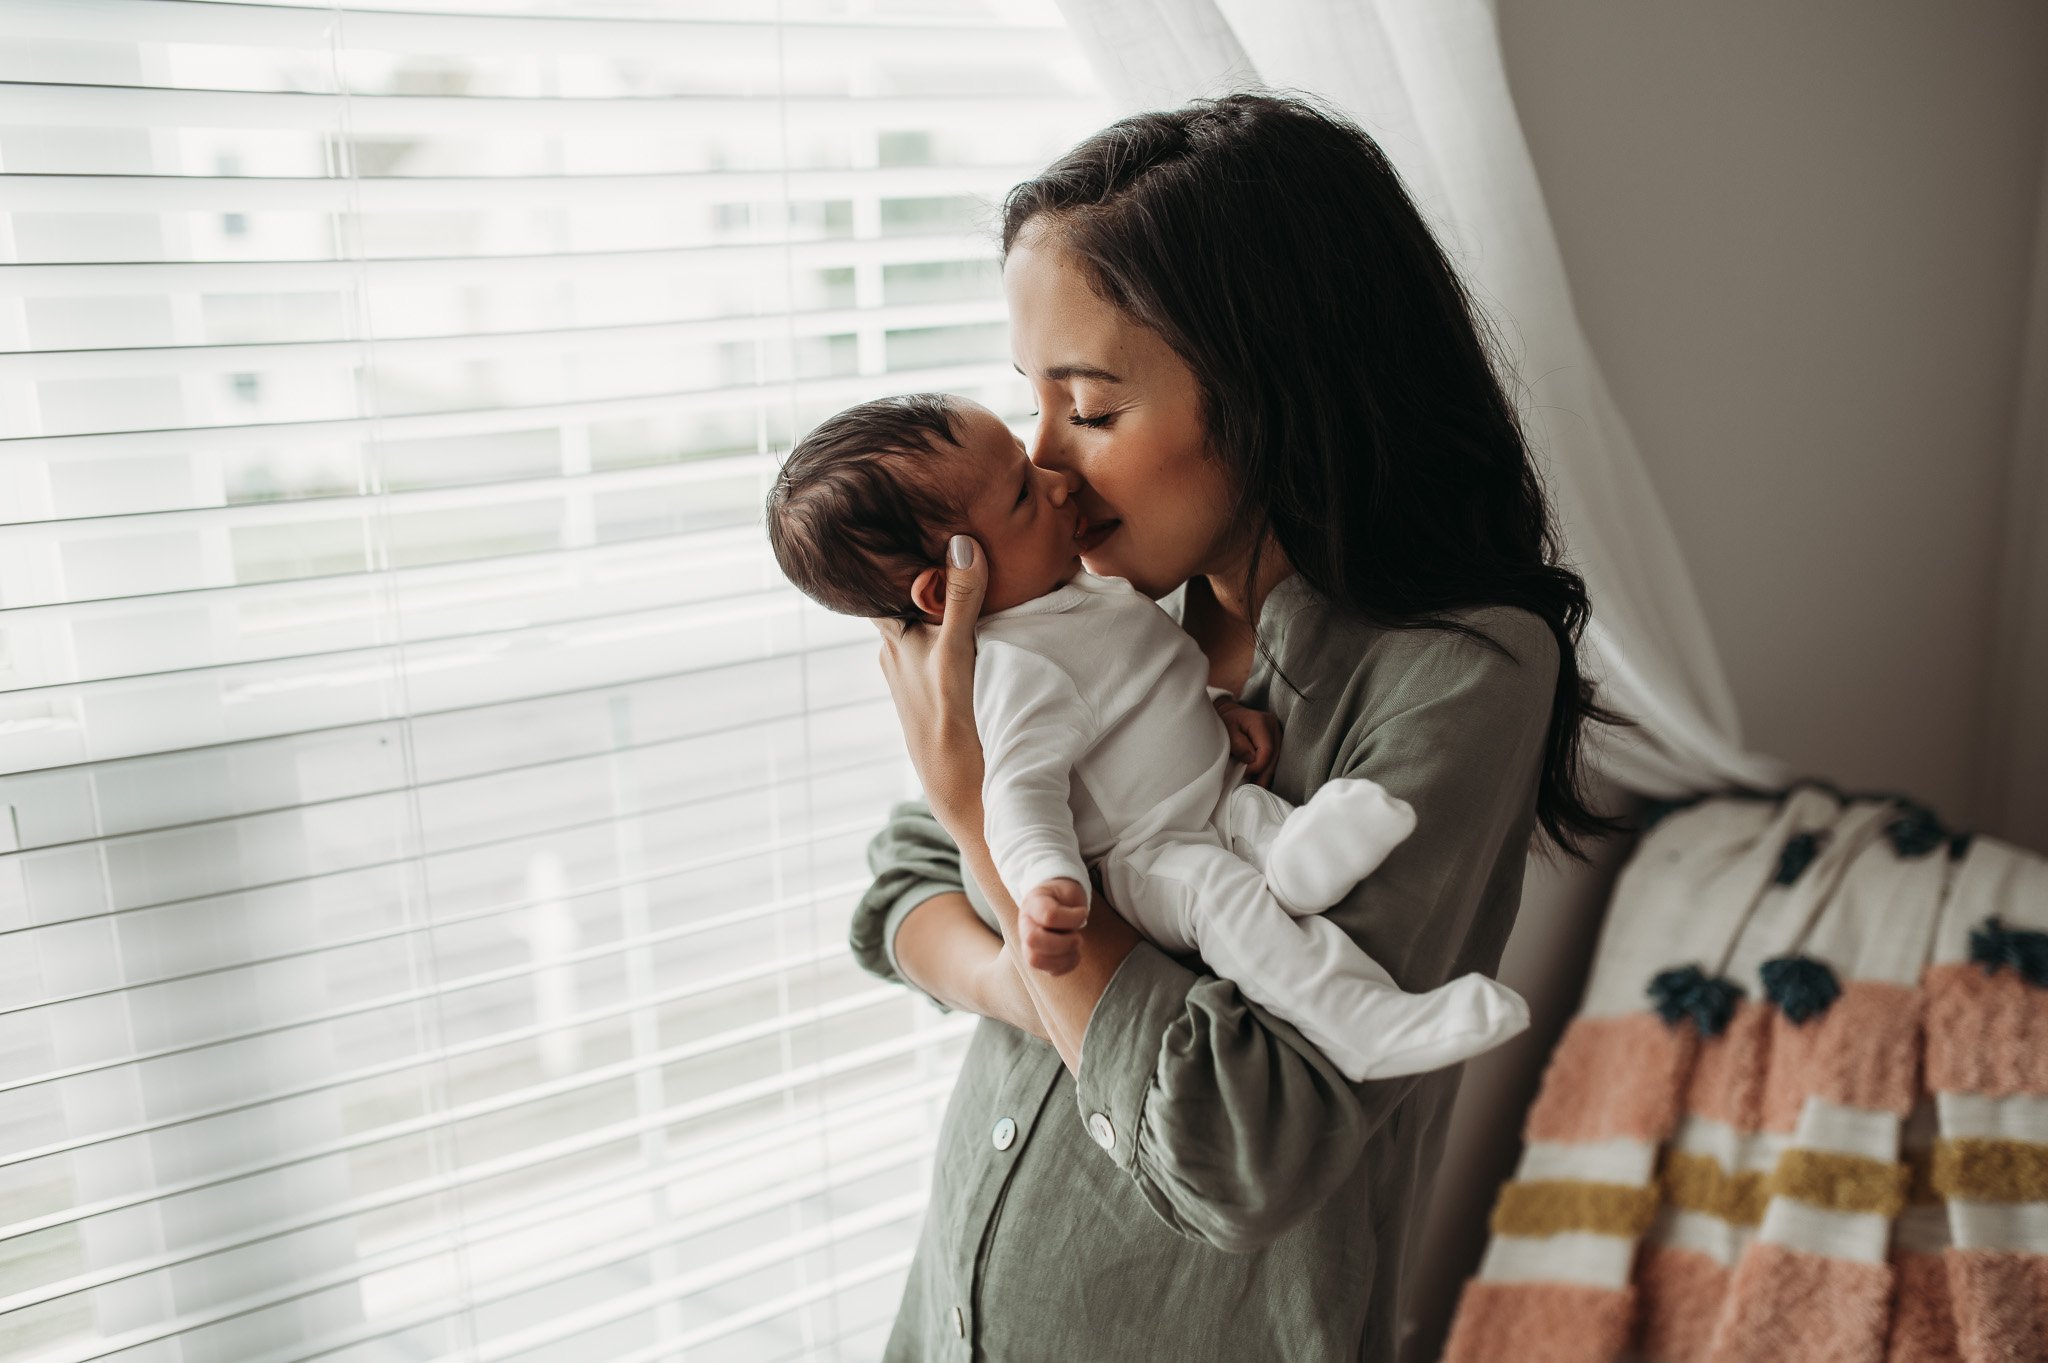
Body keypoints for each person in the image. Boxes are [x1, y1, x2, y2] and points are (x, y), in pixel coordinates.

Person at [853, 92, 1627, 1362]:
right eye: (1030, 404)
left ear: (1276, 393)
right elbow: (896, 895)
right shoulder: (1098, 598)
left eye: (1091, 411)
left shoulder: (1455, 672)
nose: (1044, 469)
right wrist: (1023, 977)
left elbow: (1241, 1150)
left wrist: (977, 827)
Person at [767, 391, 1531, 1081]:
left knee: (1254, 832)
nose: (1052, 471)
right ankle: (1365, 1023)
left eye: (1090, 408)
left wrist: (1212, 709)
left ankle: (1296, 864)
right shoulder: (1011, 672)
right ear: (950, 584)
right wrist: (1041, 888)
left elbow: (1131, 692)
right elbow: (1012, 798)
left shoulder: (1085, 594)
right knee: (1223, 897)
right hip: (1151, 854)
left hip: (1216, 797)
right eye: (1024, 495)